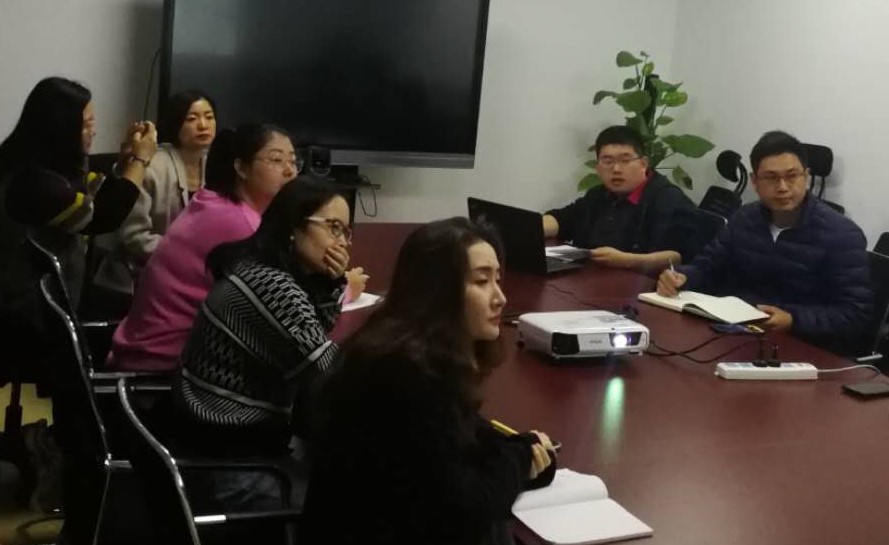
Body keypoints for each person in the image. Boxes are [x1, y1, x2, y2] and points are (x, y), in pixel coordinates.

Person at [301, 217, 557, 545]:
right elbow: (467, 509)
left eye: (497, 279)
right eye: (481, 281)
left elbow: (457, 442)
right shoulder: (404, 375)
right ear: (438, 290)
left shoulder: (397, 348)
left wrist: (516, 450)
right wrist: (518, 459)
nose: (500, 298)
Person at [168, 178, 351, 516]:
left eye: (346, 232)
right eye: (334, 228)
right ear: (294, 227)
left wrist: (328, 283)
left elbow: (312, 333)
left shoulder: (259, 267)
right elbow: (328, 371)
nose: (342, 243)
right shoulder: (272, 286)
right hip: (232, 464)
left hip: (216, 443)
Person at [657, 130, 871, 353]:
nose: (783, 187)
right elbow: (707, 266)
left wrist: (793, 319)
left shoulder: (841, 234)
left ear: (806, 177)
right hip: (737, 338)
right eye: (771, 178)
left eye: (792, 176)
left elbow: (855, 314)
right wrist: (682, 277)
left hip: (802, 348)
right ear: (754, 182)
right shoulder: (744, 219)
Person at [108, 123, 298, 372]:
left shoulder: (213, 201)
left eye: (293, 161)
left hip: (142, 349)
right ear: (241, 168)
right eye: (276, 160)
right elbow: (284, 302)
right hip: (165, 364)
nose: (289, 171)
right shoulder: (239, 222)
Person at [0, 76, 157, 313]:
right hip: (27, 308)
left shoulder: (51, 163)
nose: (93, 132)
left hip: (55, 294)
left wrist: (125, 163)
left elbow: (93, 195)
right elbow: (104, 216)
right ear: (61, 128)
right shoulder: (35, 183)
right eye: (86, 125)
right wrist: (140, 160)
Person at [92, 90, 218, 310]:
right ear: (175, 123)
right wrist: (186, 254)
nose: (203, 125)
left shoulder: (217, 167)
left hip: (191, 273)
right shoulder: (150, 166)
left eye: (209, 117)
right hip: (137, 277)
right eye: (192, 118)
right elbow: (134, 237)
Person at [543, 125, 694, 271]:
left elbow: (679, 257)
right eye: (608, 162)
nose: (616, 169)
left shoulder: (668, 199)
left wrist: (626, 260)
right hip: (592, 278)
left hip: (640, 283)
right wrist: (532, 229)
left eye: (625, 161)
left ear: (643, 164)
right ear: (598, 167)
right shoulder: (598, 194)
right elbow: (563, 220)